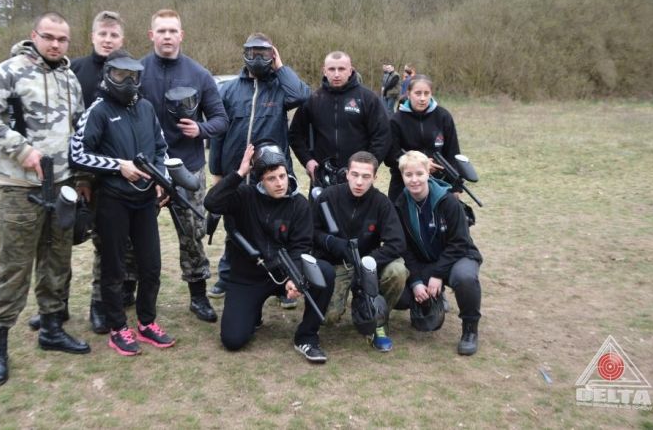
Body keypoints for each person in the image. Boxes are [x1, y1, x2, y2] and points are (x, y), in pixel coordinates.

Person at [0, 12, 91, 387]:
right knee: (15, 267)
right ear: (34, 35)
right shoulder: (8, 72)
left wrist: (83, 177)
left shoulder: (69, 78)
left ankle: (51, 328)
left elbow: (79, 129)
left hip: (62, 185)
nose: (55, 44)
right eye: (48, 36)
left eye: (62, 39)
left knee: (57, 260)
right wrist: (21, 149)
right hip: (20, 188)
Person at [27, 10, 135, 334]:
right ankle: (55, 306)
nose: (107, 40)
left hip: (111, 172)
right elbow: (70, 127)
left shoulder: (129, 73)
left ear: (122, 39)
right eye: (102, 34)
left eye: (113, 35)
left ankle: (99, 306)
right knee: (59, 242)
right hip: (71, 171)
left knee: (106, 243)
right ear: (92, 36)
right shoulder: (72, 71)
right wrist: (80, 176)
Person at [70, 49, 175, 356]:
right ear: (108, 76)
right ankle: (118, 328)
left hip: (145, 201)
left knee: (151, 266)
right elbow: (77, 154)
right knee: (113, 268)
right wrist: (118, 166)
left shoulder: (146, 107)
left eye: (133, 76)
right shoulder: (98, 110)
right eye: (120, 75)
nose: (127, 82)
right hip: (112, 201)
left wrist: (161, 178)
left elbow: (161, 148)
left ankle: (147, 323)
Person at [204, 142, 335, 363]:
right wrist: (239, 173)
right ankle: (252, 314)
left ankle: (307, 336)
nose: (279, 183)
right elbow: (211, 202)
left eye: (282, 176)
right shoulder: (244, 195)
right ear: (260, 181)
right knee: (233, 340)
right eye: (271, 178)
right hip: (248, 276)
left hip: (285, 272)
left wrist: (294, 277)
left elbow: (301, 246)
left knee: (325, 272)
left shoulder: (299, 204)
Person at [207, 33, 311, 303]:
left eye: (263, 53)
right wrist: (217, 172)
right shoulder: (229, 90)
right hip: (237, 171)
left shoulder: (279, 88)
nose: (257, 59)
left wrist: (280, 67)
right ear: (244, 54)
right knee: (234, 226)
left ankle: (284, 281)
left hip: (269, 173)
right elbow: (218, 132)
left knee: (275, 227)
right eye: (252, 53)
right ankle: (227, 275)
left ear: (272, 55)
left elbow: (302, 95)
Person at [140, 8, 229, 323]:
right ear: (152, 35)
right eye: (161, 30)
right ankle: (127, 289)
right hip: (146, 168)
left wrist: (200, 129)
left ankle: (198, 295)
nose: (167, 36)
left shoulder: (199, 74)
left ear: (181, 35)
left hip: (187, 167)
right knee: (134, 234)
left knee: (192, 234)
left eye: (172, 31)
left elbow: (221, 119)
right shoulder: (137, 72)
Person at [312, 151, 407, 352]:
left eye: (366, 176)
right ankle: (356, 303)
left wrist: (369, 261)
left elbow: (397, 243)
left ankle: (378, 321)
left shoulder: (382, 203)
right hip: (338, 264)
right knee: (328, 317)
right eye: (354, 175)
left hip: (370, 265)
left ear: (375, 177)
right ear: (347, 174)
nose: (359, 182)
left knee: (398, 271)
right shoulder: (328, 196)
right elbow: (310, 231)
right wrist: (331, 242)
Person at [393, 151, 483, 355]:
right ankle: (431, 299)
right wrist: (416, 281)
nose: (414, 180)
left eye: (419, 173)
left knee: (465, 277)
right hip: (425, 262)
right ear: (402, 176)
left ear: (428, 173)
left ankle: (470, 329)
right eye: (408, 175)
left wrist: (437, 274)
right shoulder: (400, 204)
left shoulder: (448, 201)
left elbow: (460, 242)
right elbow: (404, 248)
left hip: (459, 257)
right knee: (402, 297)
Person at [289, 51, 390, 188]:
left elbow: (382, 135)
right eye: (331, 69)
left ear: (350, 70)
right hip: (323, 178)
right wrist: (307, 161)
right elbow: (295, 135)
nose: (336, 74)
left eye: (341, 69)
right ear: (324, 71)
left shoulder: (368, 98)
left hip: (358, 178)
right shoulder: (313, 100)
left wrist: (369, 165)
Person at [385, 75, 461, 202]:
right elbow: (390, 157)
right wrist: (421, 164)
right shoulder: (396, 120)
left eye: (426, 93)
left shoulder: (443, 116)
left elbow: (453, 153)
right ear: (408, 93)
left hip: (439, 184)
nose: (422, 98)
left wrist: (455, 187)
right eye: (418, 93)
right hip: (403, 184)